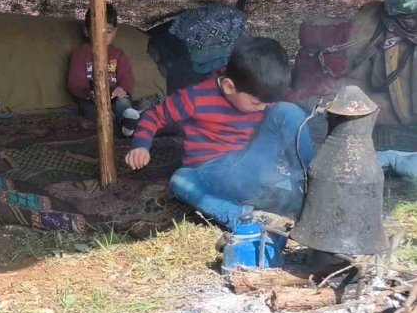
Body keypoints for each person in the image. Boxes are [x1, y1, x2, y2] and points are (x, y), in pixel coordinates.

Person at [125, 37, 314, 229]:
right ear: (229, 87)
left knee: (288, 111)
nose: (262, 108)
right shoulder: (195, 98)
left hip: (253, 166)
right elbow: (154, 116)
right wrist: (141, 146)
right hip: (210, 174)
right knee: (180, 180)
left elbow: (279, 113)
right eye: (256, 103)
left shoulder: (257, 92)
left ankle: (310, 181)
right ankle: (242, 218)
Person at [67, 4, 139, 136]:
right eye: (97, 31)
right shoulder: (80, 54)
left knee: (123, 103)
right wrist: (88, 93)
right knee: (95, 113)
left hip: (115, 96)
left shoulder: (118, 54)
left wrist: (122, 89)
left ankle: (128, 122)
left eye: (108, 32)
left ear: (115, 32)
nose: (103, 36)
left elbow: (127, 77)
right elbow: (74, 83)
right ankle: (120, 129)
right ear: (87, 32)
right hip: (91, 99)